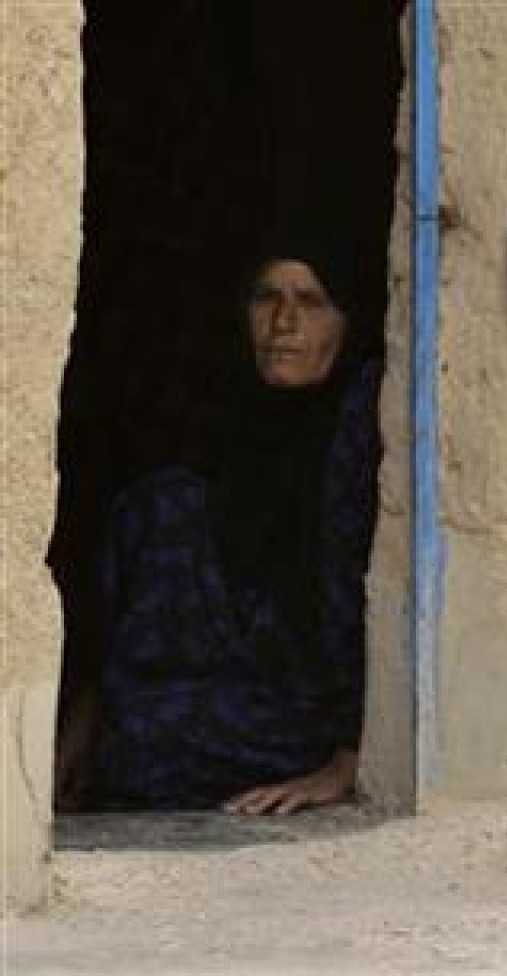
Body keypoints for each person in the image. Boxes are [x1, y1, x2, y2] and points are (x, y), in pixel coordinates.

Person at [83, 246, 382, 816]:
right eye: (266, 297)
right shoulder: (222, 430)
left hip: (318, 716)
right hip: (215, 697)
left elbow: (357, 600)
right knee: (160, 503)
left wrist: (349, 761)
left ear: (350, 321)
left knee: (146, 740)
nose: (284, 323)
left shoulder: (361, 432)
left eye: (312, 302)